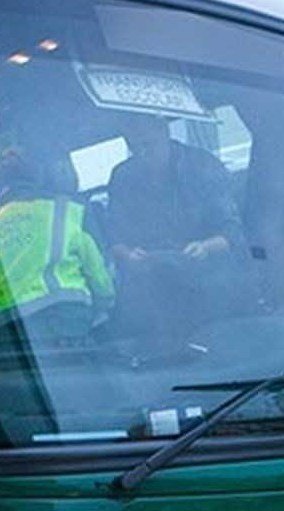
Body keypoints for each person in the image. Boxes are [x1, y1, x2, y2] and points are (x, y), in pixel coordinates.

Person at [104, 114, 249, 344]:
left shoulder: (203, 166)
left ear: (165, 133)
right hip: (154, 300)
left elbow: (234, 233)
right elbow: (114, 238)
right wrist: (128, 256)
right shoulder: (122, 177)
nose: (141, 153)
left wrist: (205, 248)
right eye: (133, 147)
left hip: (213, 297)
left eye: (148, 144)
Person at [0, 144, 114, 343]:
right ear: (39, 178)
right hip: (66, 322)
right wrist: (103, 307)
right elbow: (101, 279)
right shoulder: (67, 212)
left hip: (5, 332)